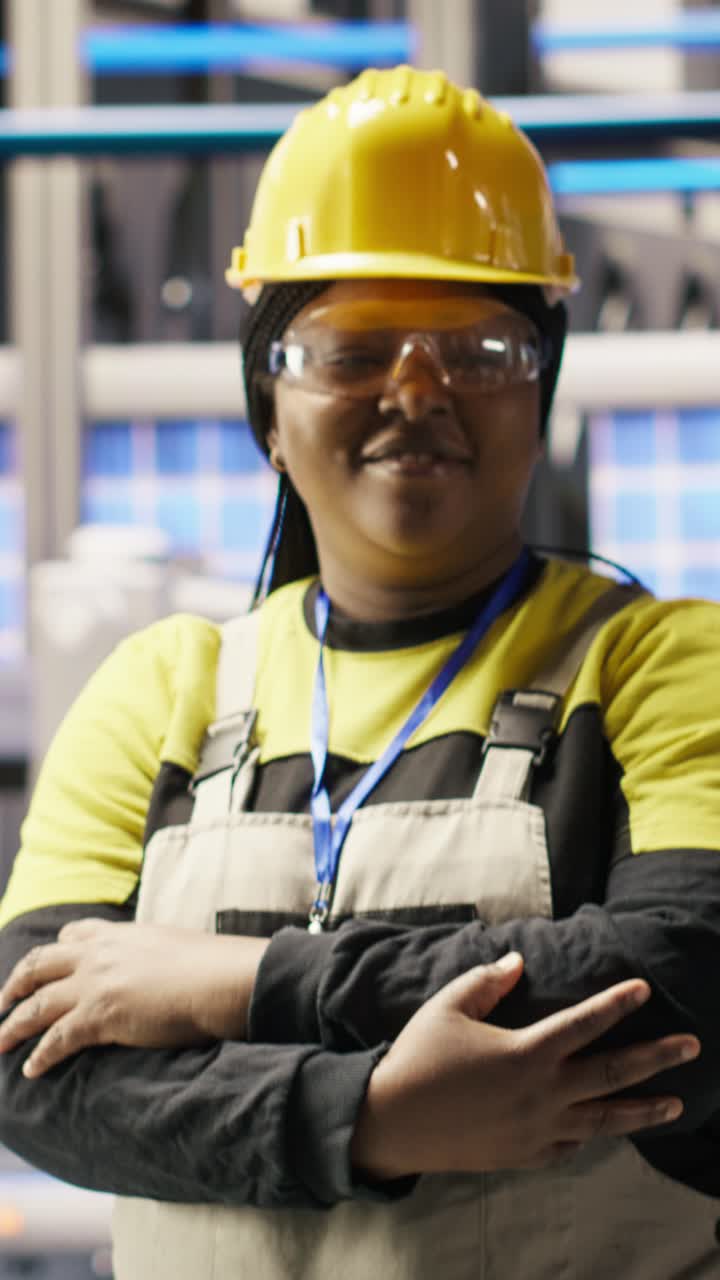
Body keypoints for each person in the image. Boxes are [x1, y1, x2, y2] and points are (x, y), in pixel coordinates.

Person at [0, 64, 719, 1278]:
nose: (417, 391)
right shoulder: (163, 691)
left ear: (538, 391)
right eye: (351, 348)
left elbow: (681, 976)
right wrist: (372, 1118)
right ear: (267, 409)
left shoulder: (657, 662)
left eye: (480, 346)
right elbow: (33, 1066)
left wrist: (236, 982)